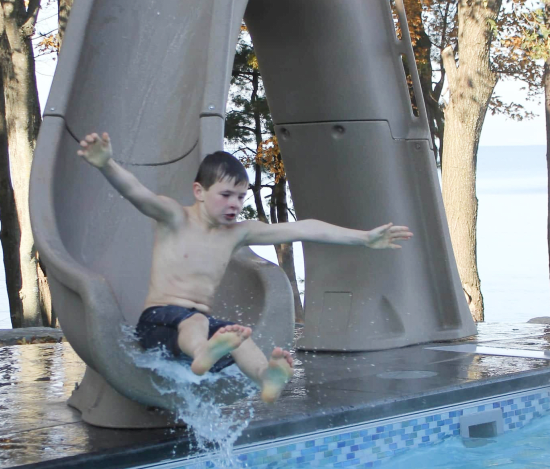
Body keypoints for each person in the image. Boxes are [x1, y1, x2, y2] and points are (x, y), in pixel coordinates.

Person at [78, 132, 413, 403]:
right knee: (197, 321)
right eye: (226, 195)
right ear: (199, 191)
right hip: (157, 326)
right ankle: (201, 355)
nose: (235, 204)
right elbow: (137, 193)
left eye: (241, 196)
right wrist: (106, 164)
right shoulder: (174, 218)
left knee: (240, 338)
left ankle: (266, 378)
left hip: (204, 332)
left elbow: (305, 228)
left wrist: (364, 238)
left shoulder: (237, 233)